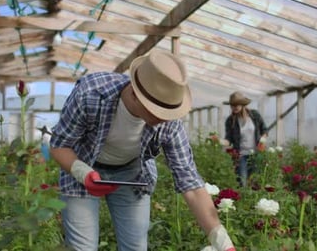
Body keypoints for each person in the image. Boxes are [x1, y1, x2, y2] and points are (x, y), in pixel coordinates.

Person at [49, 50, 235, 251]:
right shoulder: (92, 93)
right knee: (82, 247)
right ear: (135, 94)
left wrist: (223, 242)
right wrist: (83, 174)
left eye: (169, 112)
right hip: (82, 164)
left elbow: (190, 182)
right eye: (158, 111)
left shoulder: (170, 121)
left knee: (135, 246)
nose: (164, 118)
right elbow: (60, 145)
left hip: (131, 174)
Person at [223, 91, 268, 188]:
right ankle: (243, 200)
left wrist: (262, 141)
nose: (234, 107)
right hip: (241, 156)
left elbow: (264, 130)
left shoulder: (254, 115)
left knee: (255, 182)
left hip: (256, 154)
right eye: (232, 105)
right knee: (242, 182)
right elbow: (228, 139)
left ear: (242, 104)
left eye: (236, 104)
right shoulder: (230, 120)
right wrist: (218, 141)